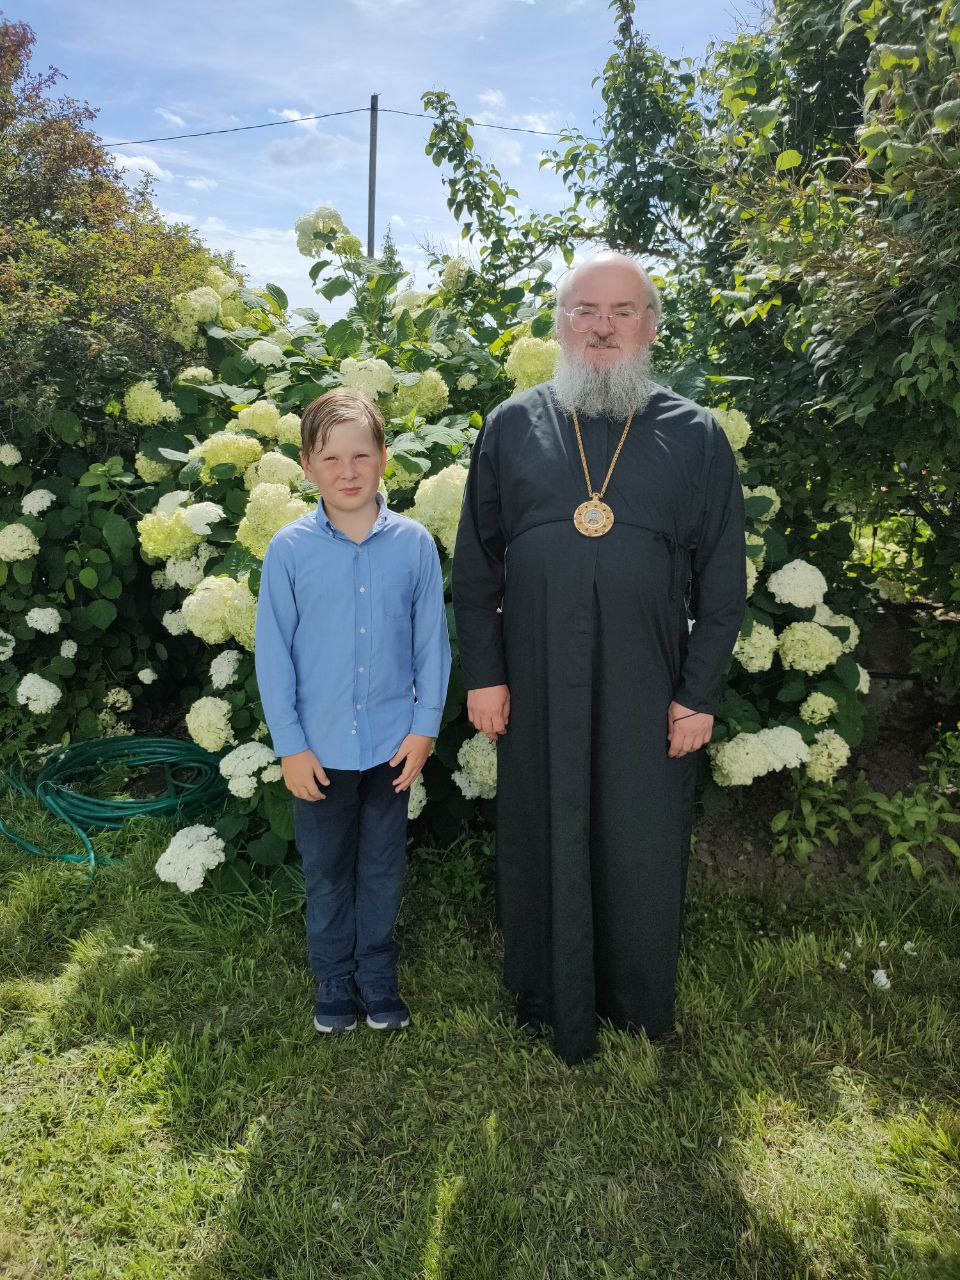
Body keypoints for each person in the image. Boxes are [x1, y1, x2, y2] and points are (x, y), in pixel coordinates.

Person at [452, 252, 747, 1064]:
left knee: (638, 833)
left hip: (647, 678)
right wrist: (485, 675)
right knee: (541, 823)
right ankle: (544, 995)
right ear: (561, 324)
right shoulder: (513, 424)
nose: (604, 326)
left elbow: (722, 580)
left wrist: (698, 694)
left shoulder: (696, 435)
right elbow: (476, 566)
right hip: (536, 673)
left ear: (650, 327)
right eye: (586, 310)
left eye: (623, 311)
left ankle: (635, 999)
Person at [255, 388, 451, 1034]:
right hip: (318, 751)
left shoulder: (414, 545)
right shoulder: (289, 550)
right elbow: (274, 655)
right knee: (327, 871)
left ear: (384, 459)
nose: (348, 471)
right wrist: (291, 745)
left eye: (361, 455)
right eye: (331, 458)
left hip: (392, 746)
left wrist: (424, 729)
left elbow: (431, 644)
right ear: (307, 465)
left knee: (382, 866)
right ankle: (334, 977)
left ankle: (376, 973)